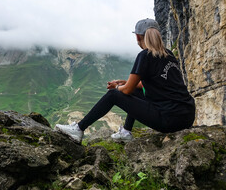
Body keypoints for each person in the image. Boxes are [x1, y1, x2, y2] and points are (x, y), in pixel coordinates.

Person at [55, 18, 195, 143]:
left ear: (139, 37)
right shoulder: (169, 54)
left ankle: (79, 129)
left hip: (169, 120)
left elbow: (127, 90)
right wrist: (124, 83)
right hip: (187, 116)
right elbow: (152, 84)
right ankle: (126, 131)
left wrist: (117, 88)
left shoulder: (144, 56)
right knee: (133, 90)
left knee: (113, 95)